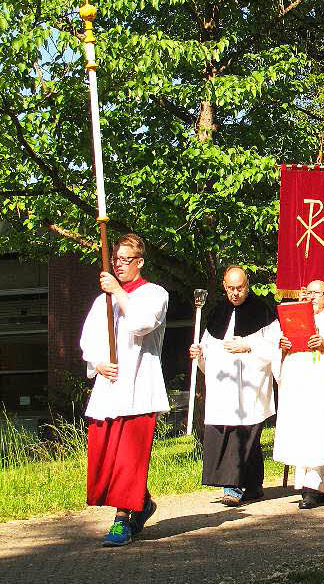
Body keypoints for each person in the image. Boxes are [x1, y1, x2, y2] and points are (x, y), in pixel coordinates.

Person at [80, 233, 168, 546]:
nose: (119, 265)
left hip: (138, 389)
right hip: (108, 388)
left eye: (126, 260)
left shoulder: (154, 293)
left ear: (140, 262)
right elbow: (88, 339)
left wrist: (118, 292)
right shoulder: (100, 300)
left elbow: (141, 323)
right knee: (107, 457)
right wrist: (98, 362)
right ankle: (141, 502)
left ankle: (122, 521)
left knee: (129, 458)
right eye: (116, 259)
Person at [268, 281, 324, 509]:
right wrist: (283, 346)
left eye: (315, 294)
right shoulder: (294, 317)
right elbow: (281, 353)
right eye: (307, 293)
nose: (310, 297)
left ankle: (314, 487)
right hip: (298, 386)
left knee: (318, 432)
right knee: (302, 432)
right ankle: (309, 483)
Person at [189, 266, 276, 505]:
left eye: (240, 288)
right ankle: (254, 485)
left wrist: (249, 347)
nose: (235, 293)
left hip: (249, 386)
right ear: (224, 287)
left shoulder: (263, 311)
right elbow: (208, 349)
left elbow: (277, 347)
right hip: (222, 388)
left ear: (247, 285)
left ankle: (233, 486)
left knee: (243, 435)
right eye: (231, 288)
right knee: (230, 433)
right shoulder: (218, 312)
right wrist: (199, 353)